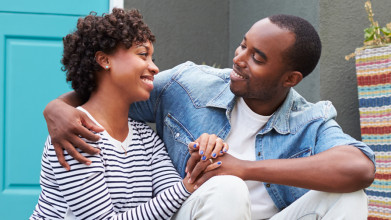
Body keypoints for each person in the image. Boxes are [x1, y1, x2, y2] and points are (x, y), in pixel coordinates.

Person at [43, 14, 375, 219]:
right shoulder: (188, 85)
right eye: (243, 46)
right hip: (193, 211)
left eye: (257, 58)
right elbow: (112, 92)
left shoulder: (310, 121)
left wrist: (243, 169)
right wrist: (57, 108)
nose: (239, 59)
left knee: (347, 196)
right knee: (226, 187)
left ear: (290, 79)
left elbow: (359, 168)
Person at [30, 8, 245, 220]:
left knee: (228, 188)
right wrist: (186, 186)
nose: (154, 68)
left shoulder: (145, 137)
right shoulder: (76, 133)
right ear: (105, 60)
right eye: (143, 55)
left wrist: (200, 161)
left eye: (152, 58)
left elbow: (177, 199)